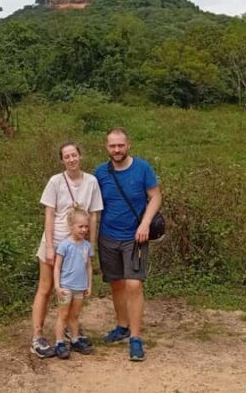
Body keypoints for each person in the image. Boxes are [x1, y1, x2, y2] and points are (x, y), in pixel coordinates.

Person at [95, 127, 162, 362]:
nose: (117, 150)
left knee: (134, 285)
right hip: (108, 236)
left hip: (135, 237)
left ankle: (135, 338)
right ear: (106, 147)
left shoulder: (142, 168)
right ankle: (122, 326)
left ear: (128, 145)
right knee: (116, 284)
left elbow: (155, 196)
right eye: (112, 146)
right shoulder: (100, 173)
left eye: (120, 145)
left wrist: (145, 224)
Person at [30, 142, 103, 359]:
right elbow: (49, 214)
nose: (71, 159)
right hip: (57, 240)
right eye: (66, 157)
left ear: (80, 156)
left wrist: (91, 246)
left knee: (75, 288)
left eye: (74, 155)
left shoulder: (91, 181)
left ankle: (72, 333)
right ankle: (37, 337)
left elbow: (93, 216)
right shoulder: (55, 181)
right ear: (62, 160)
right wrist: (51, 246)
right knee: (46, 287)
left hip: (79, 244)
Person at [53, 208, 94, 359]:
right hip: (66, 287)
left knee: (75, 315)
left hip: (80, 287)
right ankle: (59, 342)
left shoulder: (87, 246)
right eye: (80, 226)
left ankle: (75, 340)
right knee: (62, 315)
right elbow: (57, 267)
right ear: (71, 226)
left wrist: (89, 285)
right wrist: (57, 286)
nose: (84, 230)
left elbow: (88, 266)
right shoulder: (64, 245)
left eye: (86, 226)